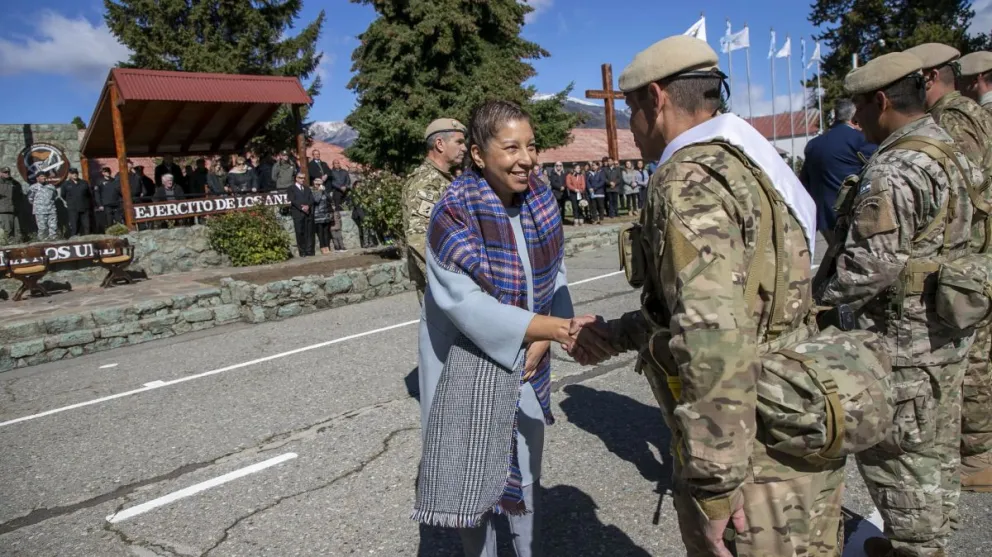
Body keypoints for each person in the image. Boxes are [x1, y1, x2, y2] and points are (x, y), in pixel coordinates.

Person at [571, 35, 839, 557]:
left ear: (656, 98)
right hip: (794, 410)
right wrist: (619, 333)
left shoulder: (686, 181)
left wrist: (716, 490)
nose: (632, 126)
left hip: (752, 451)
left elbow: (715, 339)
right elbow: (744, 302)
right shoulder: (749, 161)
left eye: (631, 110)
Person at [413, 100, 604, 557]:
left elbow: (555, 274)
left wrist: (544, 334)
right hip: (464, 363)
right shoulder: (452, 214)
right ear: (478, 154)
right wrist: (550, 330)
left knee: (525, 463)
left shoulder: (539, 200)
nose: (527, 159)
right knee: (471, 471)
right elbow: (467, 304)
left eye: (532, 146)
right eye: (512, 147)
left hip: (529, 358)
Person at [816, 52, 981, 557]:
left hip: (903, 339)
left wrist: (813, 303)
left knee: (900, 456)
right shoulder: (947, 147)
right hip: (948, 325)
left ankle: (917, 546)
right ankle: (922, 537)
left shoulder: (893, 168)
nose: (856, 118)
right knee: (935, 442)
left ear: (881, 100)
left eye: (859, 106)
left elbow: (870, 267)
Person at [907, 43, 992, 495]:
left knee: (971, 356)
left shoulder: (953, 118)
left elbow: (963, 184)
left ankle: (977, 458)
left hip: (968, 256)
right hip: (974, 253)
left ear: (930, 77)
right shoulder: (970, 112)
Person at [403, 117, 468, 305]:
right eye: (459, 142)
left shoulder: (443, 180)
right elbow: (418, 238)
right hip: (442, 284)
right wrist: (448, 278)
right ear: (440, 144)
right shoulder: (426, 183)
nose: (464, 148)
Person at [799, 99, 877, 248]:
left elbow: (804, 182)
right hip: (853, 217)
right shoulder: (861, 139)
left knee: (836, 258)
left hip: (824, 219)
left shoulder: (813, 145)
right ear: (854, 119)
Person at [28, 173, 62, 241]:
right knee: (42, 228)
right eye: (42, 176)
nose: (44, 178)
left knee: (53, 227)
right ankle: (42, 242)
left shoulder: (51, 187)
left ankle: (54, 241)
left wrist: (49, 203)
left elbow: (55, 197)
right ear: (37, 178)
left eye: (45, 176)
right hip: (40, 211)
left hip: (51, 210)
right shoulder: (33, 188)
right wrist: (39, 206)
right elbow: (30, 199)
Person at [287, 171, 314, 257]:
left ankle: (309, 251)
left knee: (309, 232)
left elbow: (311, 199)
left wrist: (308, 206)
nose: (303, 180)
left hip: (308, 213)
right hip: (298, 213)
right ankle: (302, 252)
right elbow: (293, 200)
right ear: (296, 178)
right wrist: (302, 207)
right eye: (301, 178)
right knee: (299, 232)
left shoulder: (307, 188)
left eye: (304, 178)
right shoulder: (291, 188)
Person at [60, 168, 92, 237]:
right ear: (69, 174)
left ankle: (88, 238)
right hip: (73, 208)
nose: (75, 174)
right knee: (74, 225)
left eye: (76, 173)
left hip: (84, 207)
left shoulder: (84, 182)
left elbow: (89, 194)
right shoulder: (66, 184)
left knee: (87, 225)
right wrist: (71, 201)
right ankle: (75, 239)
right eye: (73, 173)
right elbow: (63, 195)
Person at [311, 178, 334, 255]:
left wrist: (324, 191)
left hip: (325, 213)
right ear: (314, 184)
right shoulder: (313, 191)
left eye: (320, 184)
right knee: (320, 232)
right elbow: (316, 200)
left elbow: (330, 199)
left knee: (326, 231)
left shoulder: (323, 191)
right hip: (318, 214)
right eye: (317, 184)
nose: (319, 185)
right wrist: (320, 191)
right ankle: (322, 247)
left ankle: (327, 246)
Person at [0, 166, 19, 241]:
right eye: (5, 172)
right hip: (3, 210)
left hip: (14, 210)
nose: (7, 174)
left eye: (8, 172)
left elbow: (18, 195)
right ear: (0, 173)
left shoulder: (14, 183)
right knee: (7, 231)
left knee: (17, 231)